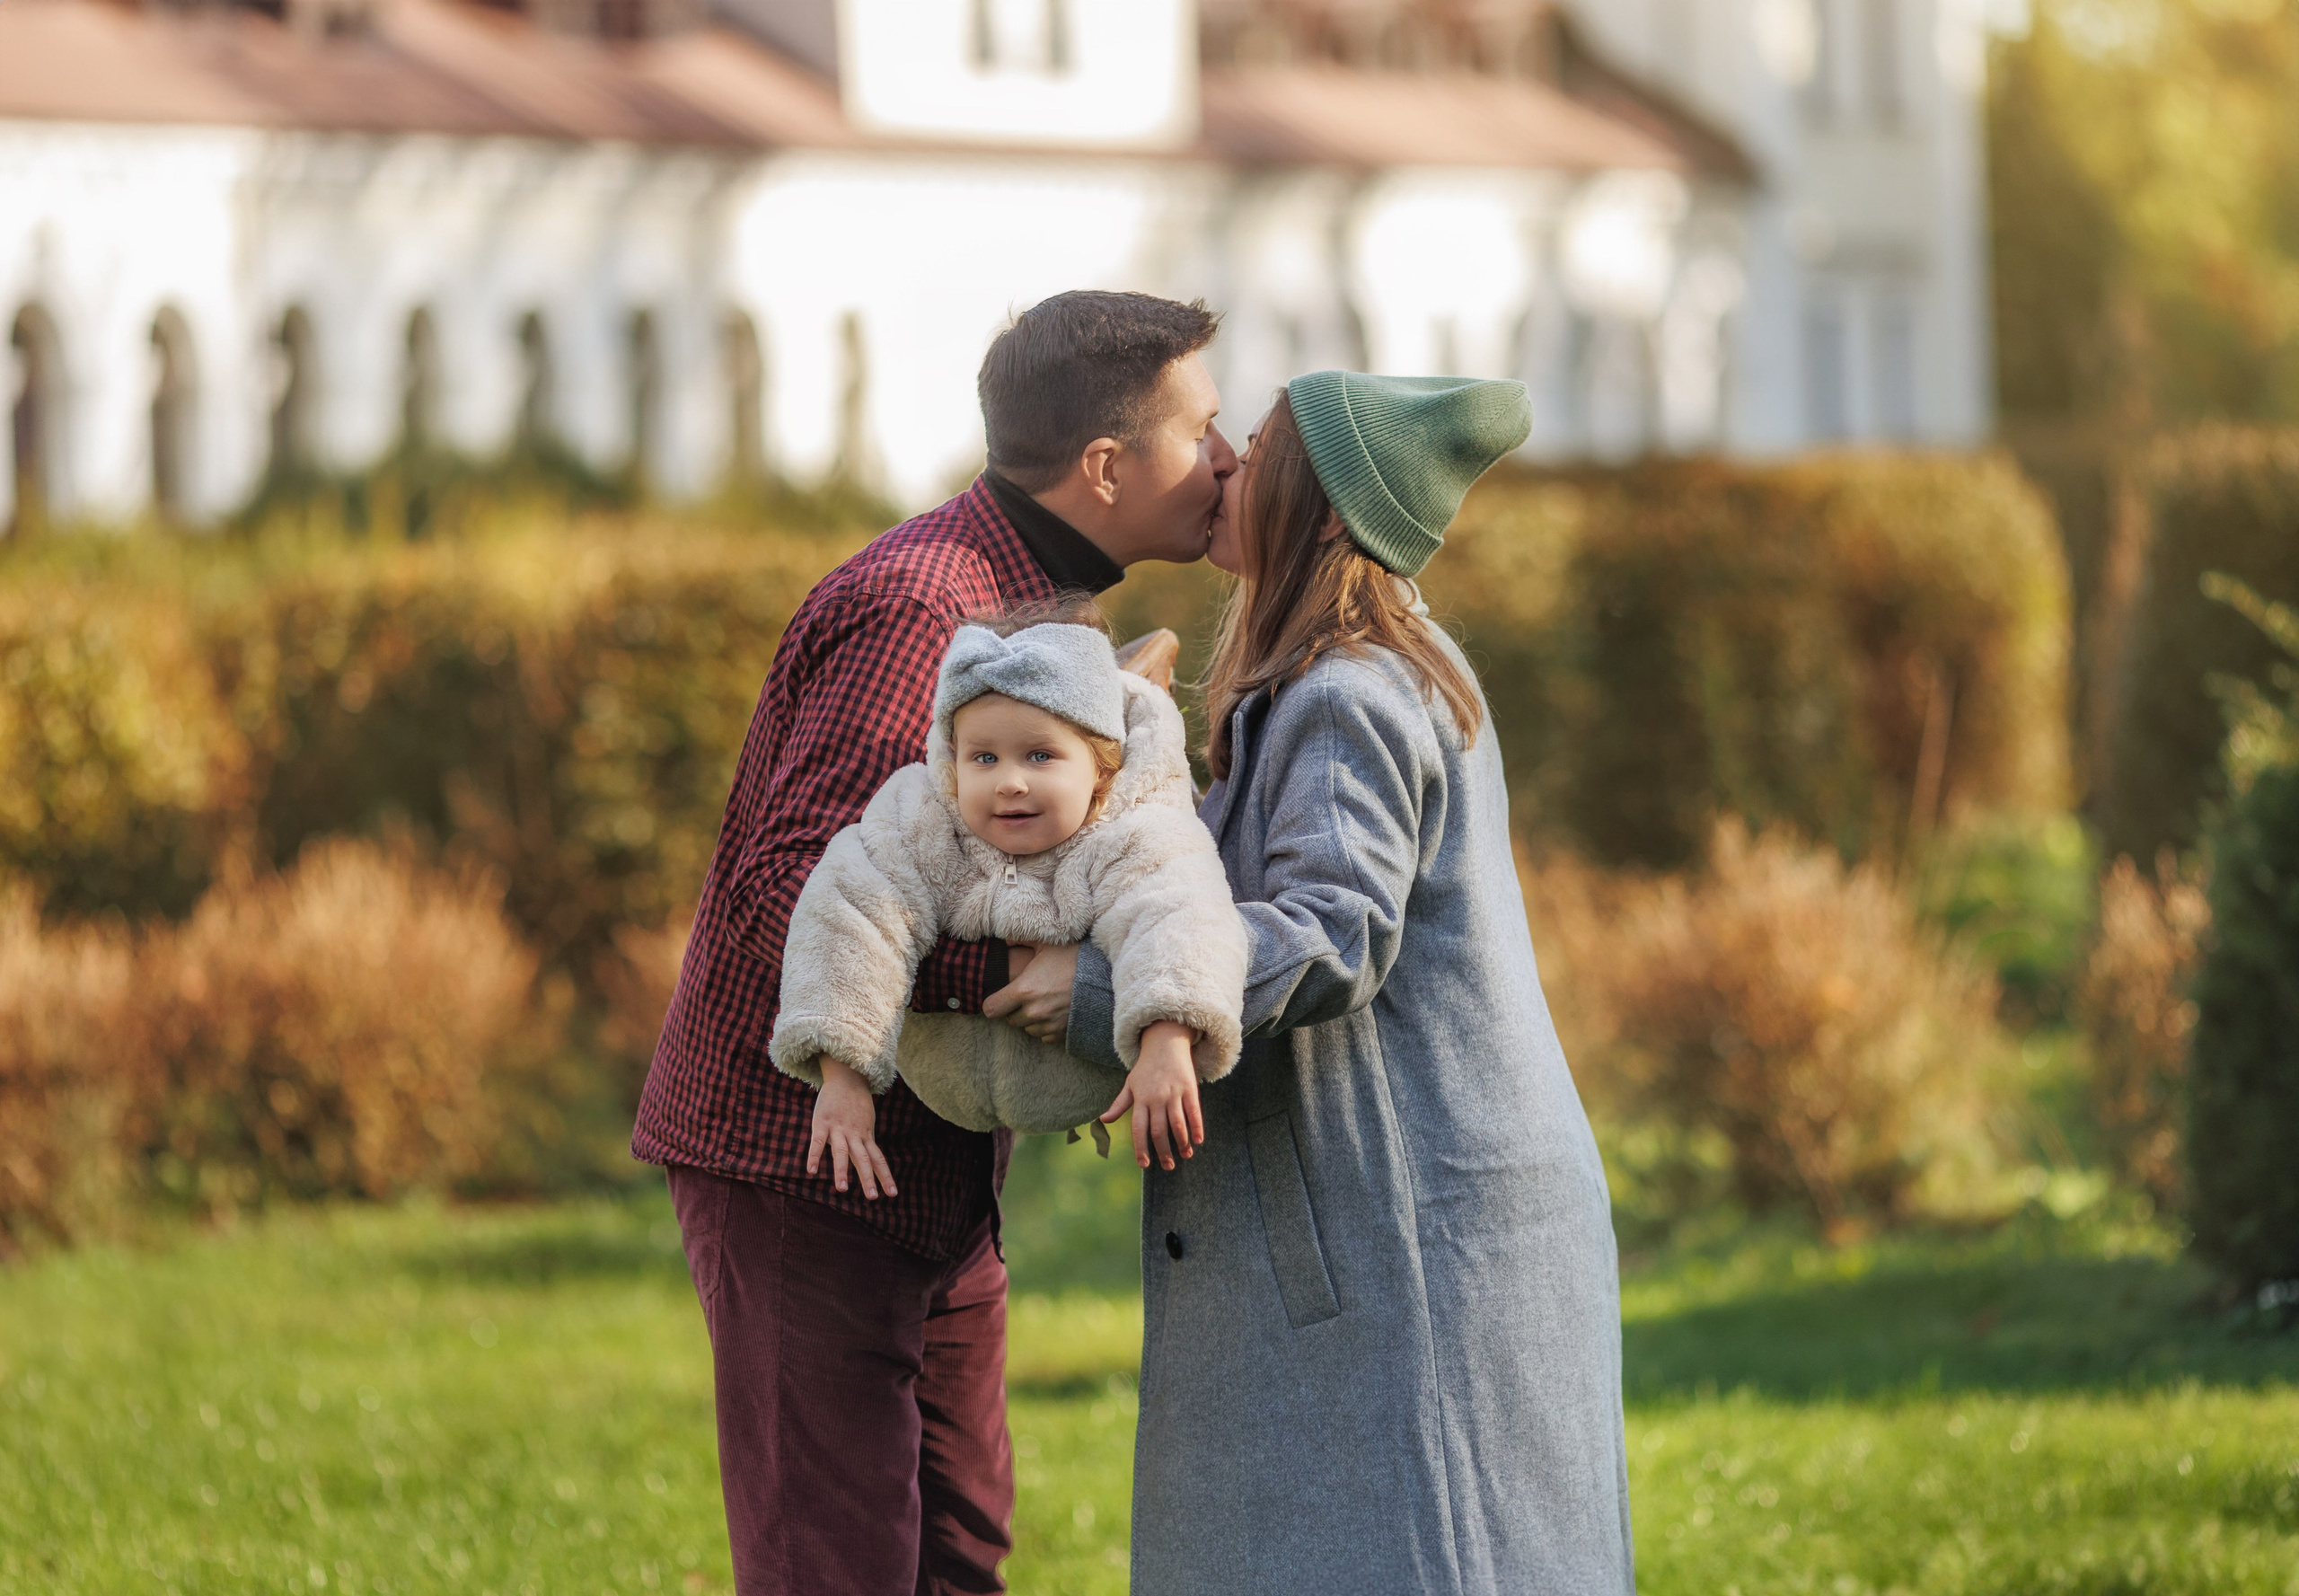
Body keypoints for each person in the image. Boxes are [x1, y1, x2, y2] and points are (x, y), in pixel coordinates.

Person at [630, 290, 1237, 1596]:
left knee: (960, 1550)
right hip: (800, 1156)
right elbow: (794, 881)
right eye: (1207, 428)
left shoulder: (1040, 605)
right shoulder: (930, 607)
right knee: (836, 1568)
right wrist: (1027, 985)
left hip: (928, 1162)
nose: (1229, 458)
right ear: (1106, 468)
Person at [1061, 372, 1636, 1593]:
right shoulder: (1331, 678)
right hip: (1403, 1214)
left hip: (1406, 1237)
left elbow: (1331, 929)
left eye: (1256, 447)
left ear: (1317, 506)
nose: (1223, 459)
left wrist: (1096, 988)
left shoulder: (1348, 694)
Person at [770, 612, 1246, 1178]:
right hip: (944, 1086)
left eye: (1040, 756)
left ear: (1101, 766)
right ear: (952, 761)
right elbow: (849, 914)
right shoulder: (920, 819)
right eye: (984, 757)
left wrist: (1166, 1041)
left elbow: (1181, 915)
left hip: (1076, 1080)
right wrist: (843, 1075)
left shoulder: (1136, 830)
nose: (1010, 782)